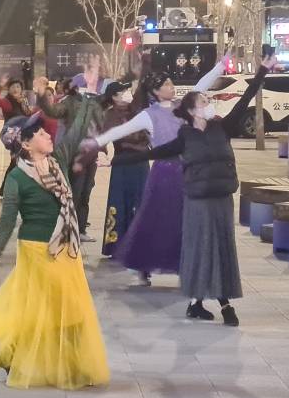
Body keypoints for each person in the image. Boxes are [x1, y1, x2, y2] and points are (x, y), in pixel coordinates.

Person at [110, 57, 275, 325]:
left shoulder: (223, 127)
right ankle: (223, 304)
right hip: (198, 202)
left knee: (222, 250)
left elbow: (246, 98)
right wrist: (115, 160)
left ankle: (197, 303)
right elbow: (153, 153)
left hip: (222, 200)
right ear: (192, 112)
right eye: (204, 103)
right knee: (202, 249)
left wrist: (263, 72)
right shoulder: (185, 137)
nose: (209, 105)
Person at [0, 114, 110, 389]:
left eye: (46, 134)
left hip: (66, 246)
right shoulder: (17, 178)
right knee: (56, 306)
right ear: (27, 144)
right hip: (37, 249)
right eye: (41, 135)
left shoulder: (56, 166)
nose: (48, 137)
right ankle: (49, 362)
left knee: (66, 305)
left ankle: (18, 355)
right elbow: (7, 220)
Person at [77, 55, 229, 285]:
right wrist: (97, 143)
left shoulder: (182, 107)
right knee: (153, 221)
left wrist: (220, 65)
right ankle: (142, 265)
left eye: (171, 83)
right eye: (167, 84)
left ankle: (183, 265)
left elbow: (201, 86)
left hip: (187, 171)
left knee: (183, 222)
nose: (172, 87)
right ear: (156, 91)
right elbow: (121, 130)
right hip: (163, 173)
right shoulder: (149, 115)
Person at [34, 77, 104, 242]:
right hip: (75, 155)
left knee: (86, 193)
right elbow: (52, 111)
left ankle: (80, 229)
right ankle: (67, 228)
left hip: (91, 155)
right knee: (75, 192)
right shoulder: (69, 102)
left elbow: (99, 126)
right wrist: (41, 92)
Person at [97, 82, 150, 260]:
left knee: (141, 201)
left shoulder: (136, 109)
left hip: (141, 162)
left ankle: (141, 244)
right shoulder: (109, 115)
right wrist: (101, 153)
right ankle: (117, 245)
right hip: (123, 162)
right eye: (123, 92)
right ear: (114, 97)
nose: (127, 94)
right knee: (120, 203)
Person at [0, 76, 33, 198]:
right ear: (9, 89)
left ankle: (4, 191)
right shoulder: (8, 102)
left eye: (18, 86)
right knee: (18, 163)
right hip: (13, 137)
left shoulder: (23, 100)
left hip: (24, 136)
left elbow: (29, 115)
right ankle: (7, 191)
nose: (16, 89)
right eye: (13, 87)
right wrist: (0, 87)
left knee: (16, 164)